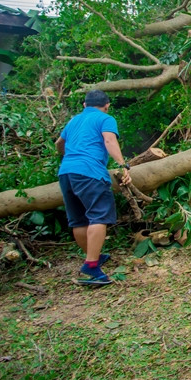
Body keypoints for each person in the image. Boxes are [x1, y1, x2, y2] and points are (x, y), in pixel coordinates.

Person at [56, 89, 131, 286]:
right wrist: (123, 165)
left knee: (79, 220)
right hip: (89, 172)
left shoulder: (73, 121)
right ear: (107, 105)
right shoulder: (105, 119)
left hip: (66, 173)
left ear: (84, 105)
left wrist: (70, 158)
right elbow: (109, 140)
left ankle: (93, 257)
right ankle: (91, 266)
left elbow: (59, 144)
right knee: (99, 215)